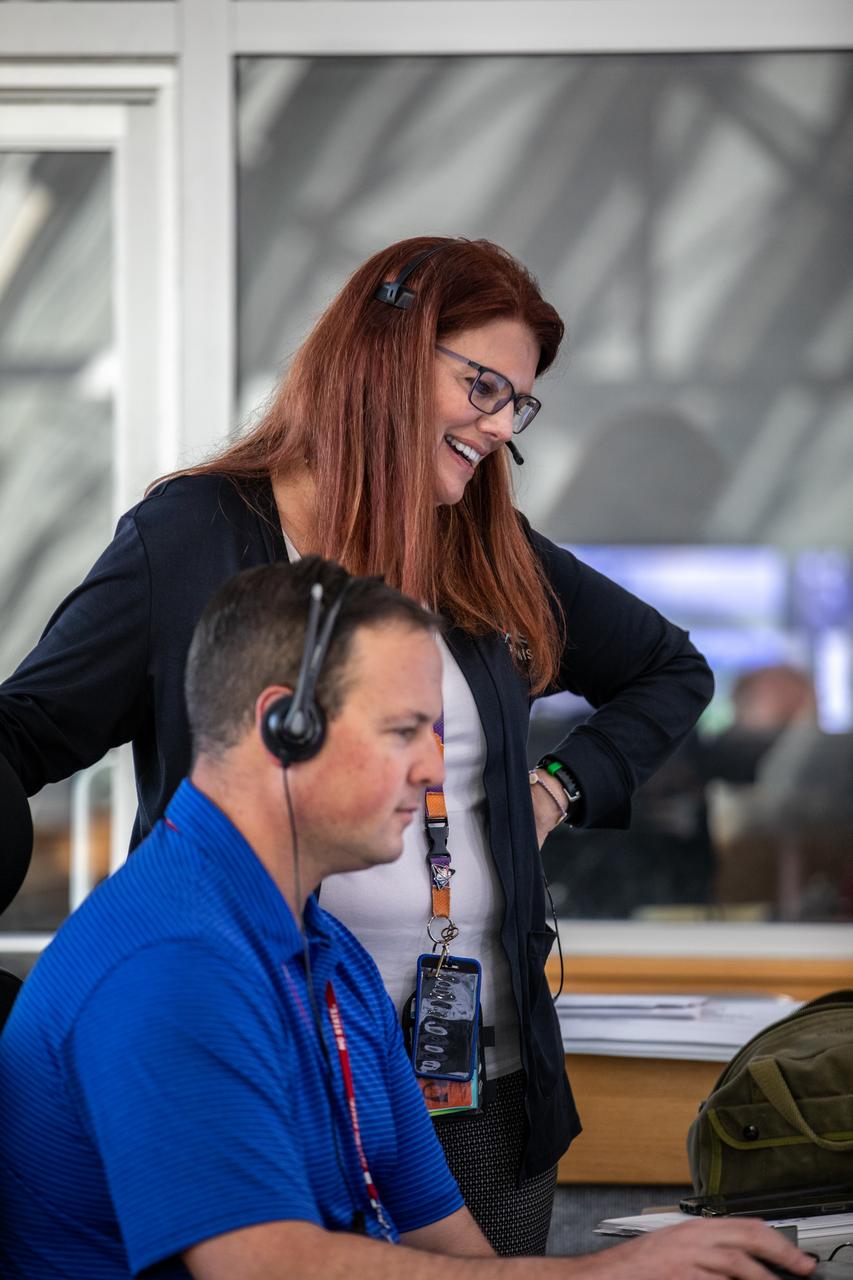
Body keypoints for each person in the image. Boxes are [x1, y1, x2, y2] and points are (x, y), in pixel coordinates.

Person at [0, 235, 715, 1252]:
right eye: (482, 384)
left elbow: (669, 668)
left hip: (462, 1070)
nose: (502, 425)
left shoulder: (483, 543)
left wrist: (554, 788)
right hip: (259, 1042)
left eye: (520, 402)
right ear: (388, 352)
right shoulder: (194, 536)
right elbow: (29, 726)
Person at [0, 559, 813, 1280]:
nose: (432, 771)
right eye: (403, 732)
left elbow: (442, 1240)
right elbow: (262, 1265)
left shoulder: (327, 955)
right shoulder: (171, 967)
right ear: (286, 726)